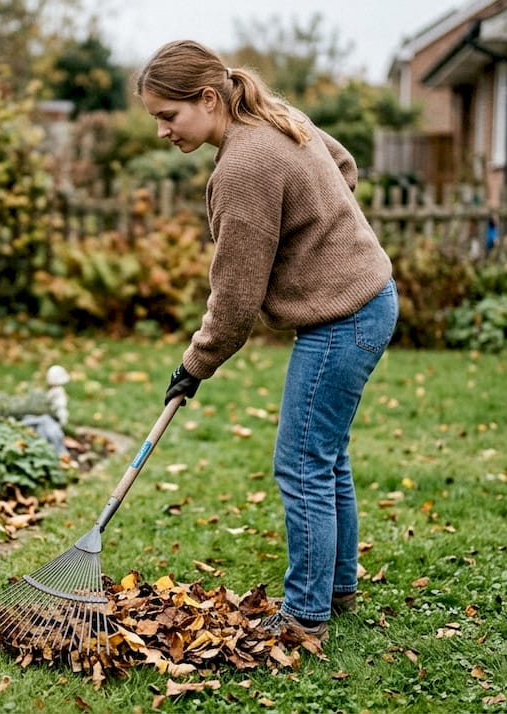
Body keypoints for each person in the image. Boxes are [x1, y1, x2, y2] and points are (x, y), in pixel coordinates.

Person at [136, 40, 398, 647]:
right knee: (325, 455)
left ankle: (304, 615)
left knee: (302, 461)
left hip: (345, 318)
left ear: (207, 98)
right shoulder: (274, 116)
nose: (161, 131)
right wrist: (318, 237)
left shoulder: (243, 168)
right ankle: (336, 588)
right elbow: (344, 166)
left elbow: (234, 303)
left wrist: (194, 364)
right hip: (370, 299)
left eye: (168, 116)